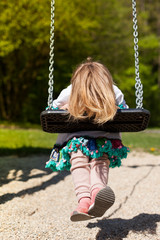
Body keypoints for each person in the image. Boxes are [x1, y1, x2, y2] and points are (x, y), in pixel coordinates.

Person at [45, 58, 129, 222]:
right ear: (105, 79)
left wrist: (64, 108)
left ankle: (83, 202)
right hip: (104, 139)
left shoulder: (69, 91)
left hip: (76, 139)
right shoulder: (113, 90)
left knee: (78, 163)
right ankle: (98, 191)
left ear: (77, 80)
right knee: (100, 161)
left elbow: (52, 110)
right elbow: (124, 111)